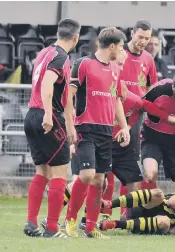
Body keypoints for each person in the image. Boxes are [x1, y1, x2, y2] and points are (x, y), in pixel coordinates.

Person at [64, 27, 130, 239]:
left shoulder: (114, 68)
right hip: (86, 128)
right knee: (87, 175)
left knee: (100, 180)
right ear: (111, 46)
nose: (121, 51)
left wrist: (124, 126)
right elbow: (68, 96)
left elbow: (116, 99)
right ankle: (70, 221)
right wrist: (70, 126)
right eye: (120, 47)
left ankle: (91, 227)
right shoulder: (83, 64)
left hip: (106, 131)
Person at [23, 18, 80, 238]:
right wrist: (48, 113)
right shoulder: (61, 57)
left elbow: (63, 96)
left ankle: (31, 222)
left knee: (43, 172)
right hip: (47, 116)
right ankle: (53, 229)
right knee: (60, 173)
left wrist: (70, 125)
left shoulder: (44, 52)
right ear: (75, 38)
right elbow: (47, 83)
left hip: (31, 115)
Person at [100, 85, 175, 218]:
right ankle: (87, 218)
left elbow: (144, 106)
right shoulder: (101, 99)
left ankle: (132, 217)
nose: (119, 101)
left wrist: (127, 126)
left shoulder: (132, 99)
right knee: (98, 182)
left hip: (121, 146)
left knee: (134, 183)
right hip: (101, 143)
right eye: (117, 98)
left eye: (122, 98)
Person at [118, 19, 158, 217]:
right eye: (140, 37)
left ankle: (128, 213)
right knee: (106, 168)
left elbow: (152, 89)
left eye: (147, 38)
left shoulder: (148, 60)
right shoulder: (119, 54)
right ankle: (106, 212)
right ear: (132, 33)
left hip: (135, 120)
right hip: (113, 117)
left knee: (130, 166)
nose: (143, 41)